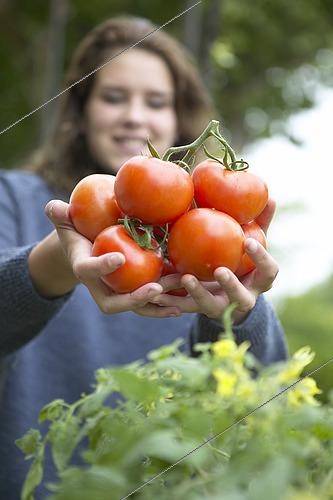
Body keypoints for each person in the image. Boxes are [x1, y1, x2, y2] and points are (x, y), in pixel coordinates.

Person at [0, 15, 288, 499]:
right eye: (114, 97)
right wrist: (58, 256)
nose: (135, 116)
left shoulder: (215, 232)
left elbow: (262, 397)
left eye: (155, 101)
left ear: (180, 119)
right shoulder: (15, 196)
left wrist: (240, 315)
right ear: (81, 111)